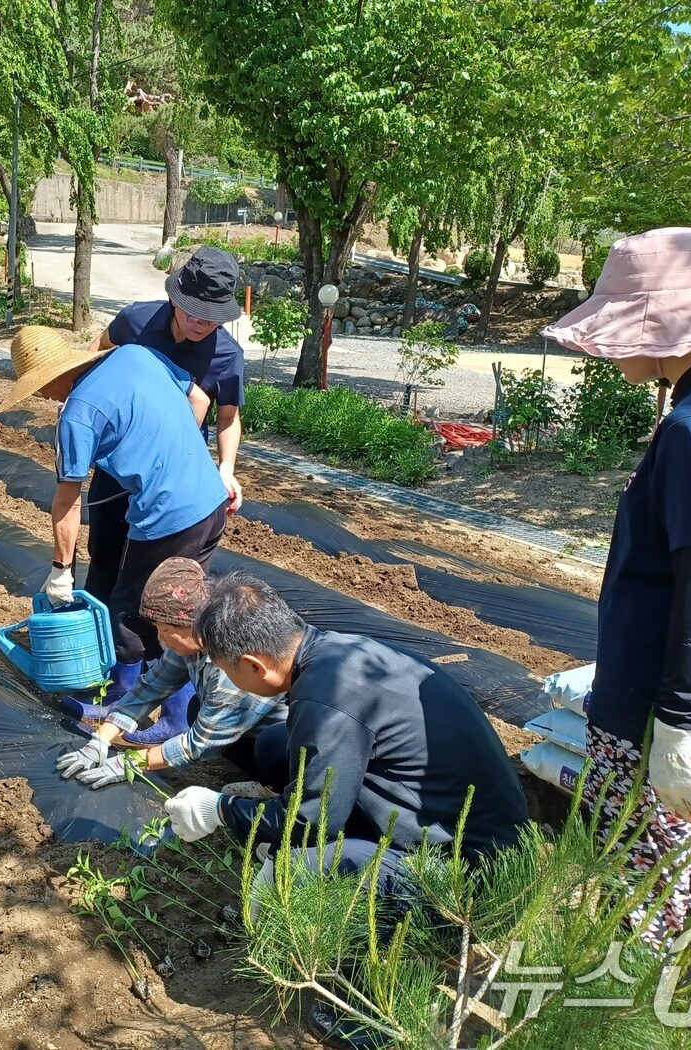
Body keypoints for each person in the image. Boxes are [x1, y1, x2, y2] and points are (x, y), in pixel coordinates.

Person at [542, 227, 691, 953]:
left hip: (662, 704)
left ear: (666, 327)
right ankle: (688, 975)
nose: (611, 348)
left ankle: (645, 1001)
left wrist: (676, 727)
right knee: (690, 858)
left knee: (649, 872)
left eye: (622, 330)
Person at [161, 573, 529, 895]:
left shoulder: (329, 697)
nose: (226, 679)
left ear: (254, 666)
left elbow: (312, 819)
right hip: (444, 807)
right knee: (276, 743)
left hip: (465, 866)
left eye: (227, 670)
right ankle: (337, 836)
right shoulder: (333, 652)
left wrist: (221, 810)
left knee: (293, 869)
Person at [0, 325, 230, 725]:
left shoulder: (77, 413)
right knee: (184, 609)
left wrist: (61, 570)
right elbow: (196, 398)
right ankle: (181, 712)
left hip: (169, 515)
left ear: (50, 379)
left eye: (38, 388)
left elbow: (67, 501)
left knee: (129, 612)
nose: (41, 396)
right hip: (211, 499)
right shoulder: (134, 355)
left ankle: (122, 702)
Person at [78, 247, 248, 744]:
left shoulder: (226, 356)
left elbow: (228, 419)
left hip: (172, 480)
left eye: (213, 317)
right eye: (194, 311)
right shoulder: (137, 321)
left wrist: (227, 469)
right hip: (119, 468)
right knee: (105, 560)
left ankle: (158, 690)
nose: (201, 324)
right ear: (175, 298)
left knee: (163, 588)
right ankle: (106, 669)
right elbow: (97, 349)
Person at [55, 558, 286, 788]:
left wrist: (131, 762)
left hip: (287, 743)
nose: (160, 638)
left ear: (196, 624)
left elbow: (200, 743)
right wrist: (100, 740)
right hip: (249, 729)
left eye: (166, 630)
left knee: (272, 746)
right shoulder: (193, 643)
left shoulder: (233, 666)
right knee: (197, 708)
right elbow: (150, 688)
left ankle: (277, 788)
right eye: (157, 629)